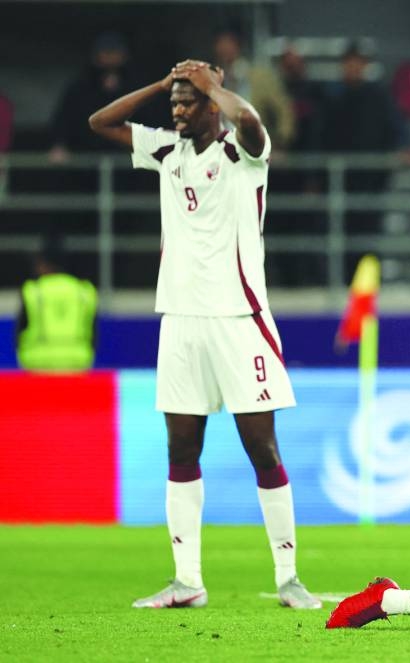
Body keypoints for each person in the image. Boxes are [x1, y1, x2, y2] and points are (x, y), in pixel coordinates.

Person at [88, 59, 321, 610]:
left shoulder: (242, 155)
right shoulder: (167, 150)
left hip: (239, 321)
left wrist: (213, 86)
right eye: (175, 104)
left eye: (187, 103)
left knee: (261, 448)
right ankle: (187, 581)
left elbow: (254, 123)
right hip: (181, 320)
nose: (176, 111)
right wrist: (162, 83)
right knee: (181, 447)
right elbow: (99, 122)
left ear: (213, 105)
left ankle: (289, 578)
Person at [322, 39, 410, 284]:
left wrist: (403, 148)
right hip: (339, 181)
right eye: (349, 62)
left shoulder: (379, 95)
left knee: (369, 237)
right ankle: (340, 284)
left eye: (358, 62)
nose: (353, 67)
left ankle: (368, 287)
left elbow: (397, 127)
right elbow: (322, 136)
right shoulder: (332, 96)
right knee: (341, 236)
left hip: (372, 181)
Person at [49, 32, 166, 164]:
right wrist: (59, 145)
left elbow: (152, 118)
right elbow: (63, 119)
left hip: (129, 160)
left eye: (114, 52)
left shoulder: (138, 86)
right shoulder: (80, 87)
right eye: (106, 52)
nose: (110, 58)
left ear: (124, 55)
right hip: (86, 158)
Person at [16, 239, 98, 371]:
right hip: (77, 367)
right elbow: (93, 333)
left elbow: (20, 331)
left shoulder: (33, 291)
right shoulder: (84, 292)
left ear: (44, 263)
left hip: (37, 369)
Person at [212, 27, 296, 151]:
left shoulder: (260, 78)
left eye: (228, 43)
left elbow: (285, 112)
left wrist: (280, 144)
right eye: (220, 44)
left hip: (254, 151)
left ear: (238, 45)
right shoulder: (212, 79)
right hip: (221, 153)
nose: (224, 48)